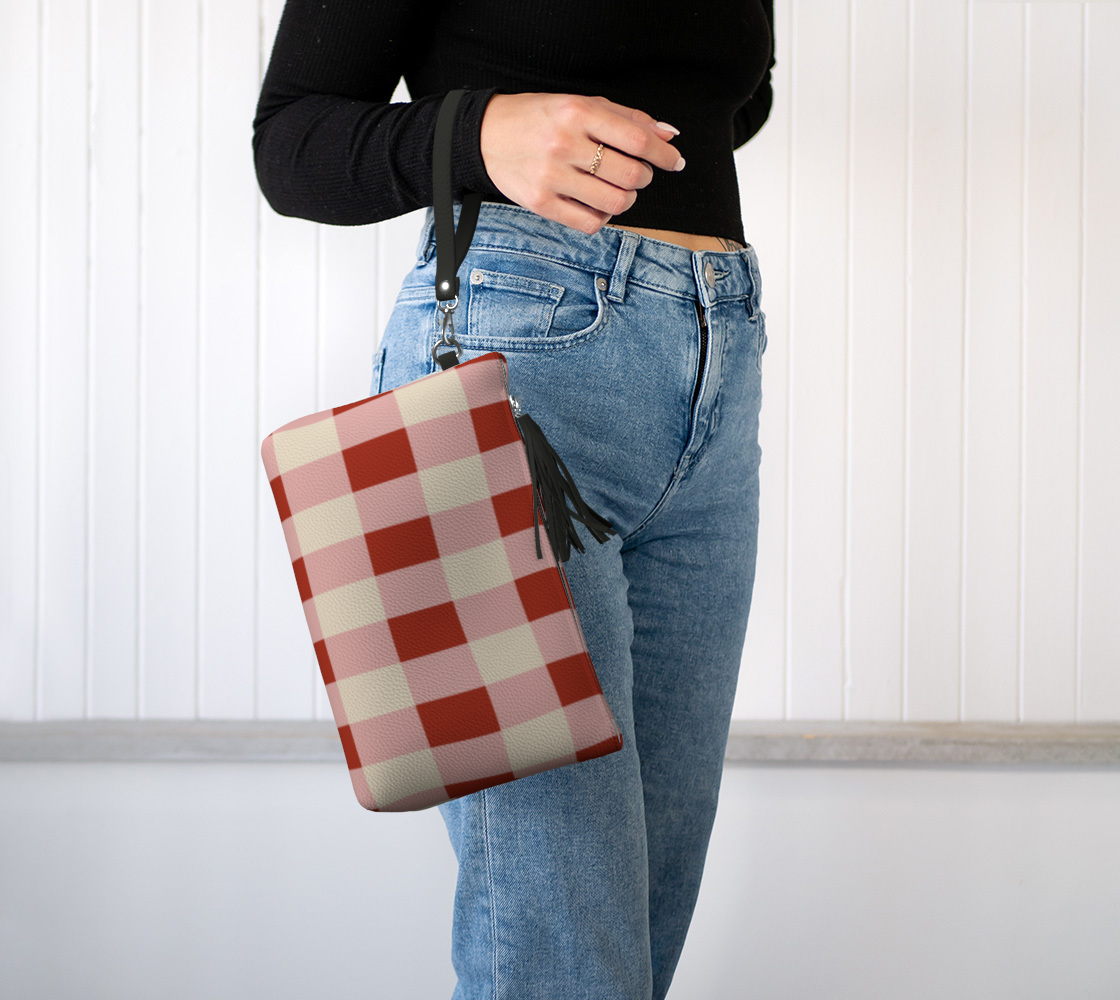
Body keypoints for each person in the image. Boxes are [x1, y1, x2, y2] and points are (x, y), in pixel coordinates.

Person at [253, 2, 774, 997]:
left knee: (632, 941)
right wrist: (480, 131)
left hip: (715, 353)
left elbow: (728, 101)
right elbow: (290, 140)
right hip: (520, 363)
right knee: (565, 950)